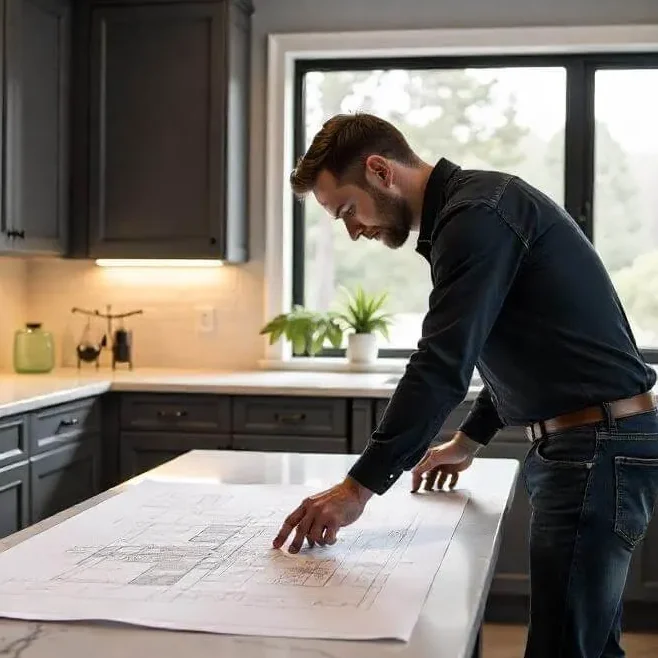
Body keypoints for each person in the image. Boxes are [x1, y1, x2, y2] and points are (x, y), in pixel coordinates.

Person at [271, 112, 658, 658]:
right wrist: (467, 441)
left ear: (380, 170)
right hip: (597, 442)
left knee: (566, 649)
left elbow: (441, 363)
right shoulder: (477, 209)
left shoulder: (476, 215)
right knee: (590, 645)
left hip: (597, 448)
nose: (352, 230)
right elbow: (523, 347)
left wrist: (357, 488)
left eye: (346, 211)